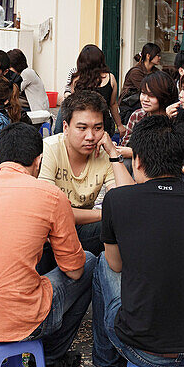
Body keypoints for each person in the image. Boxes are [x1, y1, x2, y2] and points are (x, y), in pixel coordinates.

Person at [0, 123, 96, 367]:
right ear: (38, 162)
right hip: (21, 320)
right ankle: (50, 359)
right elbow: (73, 270)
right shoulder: (50, 196)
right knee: (89, 262)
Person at [90, 115, 184, 367]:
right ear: (181, 163)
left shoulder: (118, 200)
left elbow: (116, 264)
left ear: (136, 161)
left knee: (102, 262)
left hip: (142, 349)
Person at [40, 91, 135, 255]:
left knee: (127, 224)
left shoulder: (105, 153)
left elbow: (130, 203)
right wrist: (105, 213)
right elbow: (50, 212)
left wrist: (113, 154)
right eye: (82, 128)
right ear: (65, 127)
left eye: (98, 128)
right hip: (50, 234)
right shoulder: (49, 148)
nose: (90, 136)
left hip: (83, 230)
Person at [61, 44, 123, 136]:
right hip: (103, 125)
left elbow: (73, 107)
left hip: (83, 126)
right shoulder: (110, 78)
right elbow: (113, 105)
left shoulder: (76, 80)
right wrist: (120, 125)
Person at [118, 70, 176, 158]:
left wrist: (135, 153)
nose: (145, 99)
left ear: (164, 96)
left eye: (151, 95)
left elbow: (167, 153)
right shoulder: (137, 115)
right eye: (143, 93)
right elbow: (125, 145)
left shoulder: (174, 118)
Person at [8, 48, 50, 114]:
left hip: (36, 111)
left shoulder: (27, 73)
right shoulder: (25, 73)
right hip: (31, 107)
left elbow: (15, 89)